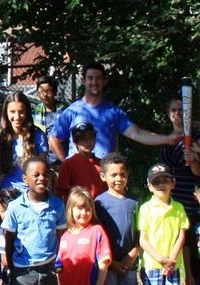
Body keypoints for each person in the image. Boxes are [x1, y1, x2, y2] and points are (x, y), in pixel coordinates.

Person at [48, 62, 180, 160]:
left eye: (98, 78)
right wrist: (67, 163)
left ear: (104, 81)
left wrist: (168, 139)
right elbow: (53, 141)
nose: (94, 82)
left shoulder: (114, 112)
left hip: (105, 174)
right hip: (79, 175)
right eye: (90, 78)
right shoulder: (71, 111)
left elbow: (137, 133)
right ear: (83, 81)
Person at [1, 156, 65, 285]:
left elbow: (60, 237)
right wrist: (13, 269)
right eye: (36, 175)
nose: (41, 178)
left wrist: (56, 263)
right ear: (25, 179)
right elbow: (9, 240)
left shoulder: (57, 205)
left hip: (48, 272)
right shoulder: (15, 207)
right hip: (23, 272)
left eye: (45, 175)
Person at [138, 164, 188, 285]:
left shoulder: (178, 208)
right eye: (156, 182)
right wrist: (161, 259)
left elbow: (181, 235)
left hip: (173, 265)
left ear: (173, 183)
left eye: (165, 181)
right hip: (152, 265)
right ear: (149, 186)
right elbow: (143, 239)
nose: (161, 185)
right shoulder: (145, 208)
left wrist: (171, 260)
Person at [57, 187, 111, 285]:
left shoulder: (96, 231)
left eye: (87, 209)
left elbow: (104, 262)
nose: (84, 213)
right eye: (79, 209)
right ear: (70, 209)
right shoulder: (65, 235)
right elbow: (58, 267)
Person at [93, 154, 140, 285]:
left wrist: (133, 255)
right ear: (103, 176)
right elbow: (96, 236)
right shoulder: (99, 203)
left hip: (130, 263)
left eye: (122, 174)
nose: (119, 178)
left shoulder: (135, 201)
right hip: (108, 264)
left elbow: (143, 231)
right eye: (113, 175)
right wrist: (111, 261)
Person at [158, 99, 200, 216]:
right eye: (173, 110)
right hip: (170, 197)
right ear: (168, 114)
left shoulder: (197, 137)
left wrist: (193, 160)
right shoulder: (166, 139)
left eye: (181, 110)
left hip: (191, 197)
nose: (177, 113)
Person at [0, 92, 36, 192]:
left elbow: (42, 167)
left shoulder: (37, 135)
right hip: (5, 191)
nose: (17, 116)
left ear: (27, 112)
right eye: (12, 112)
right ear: (6, 113)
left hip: (30, 191)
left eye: (21, 111)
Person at [55, 122, 106, 199]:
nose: (88, 141)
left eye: (90, 137)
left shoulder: (102, 164)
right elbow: (60, 192)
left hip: (100, 205)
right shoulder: (68, 164)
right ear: (75, 143)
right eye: (83, 139)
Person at [32, 76, 64, 164]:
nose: (44, 95)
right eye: (41, 92)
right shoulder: (35, 113)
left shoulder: (64, 111)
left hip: (62, 155)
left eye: (48, 92)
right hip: (42, 157)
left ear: (55, 92)